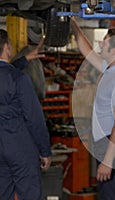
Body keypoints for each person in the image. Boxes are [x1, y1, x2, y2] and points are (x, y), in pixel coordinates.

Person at [71, 18, 115, 199]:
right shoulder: (111, 69)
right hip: (108, 143)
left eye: (104, 41)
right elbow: (88, 51)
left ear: (113, 51)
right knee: (108, 194)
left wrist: (108, 161)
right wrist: (73, 24)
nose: (100, 43)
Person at [0, 29, 51, 199]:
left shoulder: (14, 76)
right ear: (7, 47)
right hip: (20, 146)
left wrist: (25, 60)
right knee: (29, 194)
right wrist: (44, 150)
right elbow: (34, 118)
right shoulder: (19, 79)